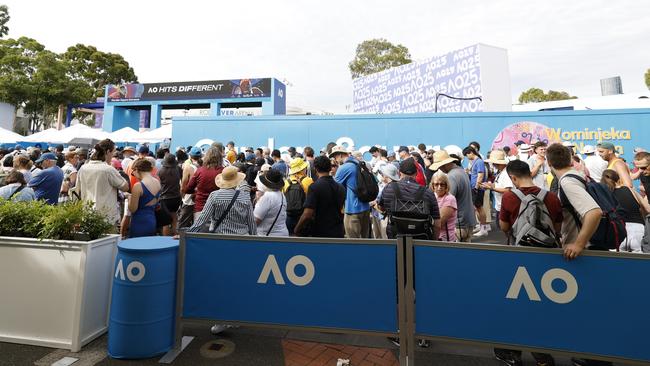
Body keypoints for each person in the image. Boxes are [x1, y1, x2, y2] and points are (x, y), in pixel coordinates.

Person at [547, 143, 602, 260]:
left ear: (549, 163)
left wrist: (578, 244)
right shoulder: (576, 176)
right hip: (583, 247)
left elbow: (594, 212)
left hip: (580, 251)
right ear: (570, 161)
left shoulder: (568, 182)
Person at [378, 158, 440, 239]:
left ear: (399, 173)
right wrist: (433, 241)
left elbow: (381, 208)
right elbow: (437, 224)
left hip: (395, 240)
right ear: (417, 173)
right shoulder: (428, 192)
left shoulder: (389, 189)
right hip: (421, 241)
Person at [187, 166, 256, 235]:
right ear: (237, 180)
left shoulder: (214, 195)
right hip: (241, 237)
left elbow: (203, 218)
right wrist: (255, 237)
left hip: (220, 236)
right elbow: (251, 221)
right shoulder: (245, 196)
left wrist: (189, 233)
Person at [76, 139, 129, 227]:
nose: (113, 155)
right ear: (108, 152)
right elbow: (125, 187)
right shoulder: (108, 169)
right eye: (113, 152)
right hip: (106, 217)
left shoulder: (83, 168)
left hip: (87, 213)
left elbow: (78, 189)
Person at [430, 150, 476, 242]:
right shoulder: (462, 171)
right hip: (468, 220)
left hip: (458, 224)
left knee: (456, 254)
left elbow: (447, 202)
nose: (440, 169)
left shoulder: (451, 176)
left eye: (439, 166)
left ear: (444, 164)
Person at [295, 156, 346, 238]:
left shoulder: (314, 187)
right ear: (330, 168)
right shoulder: (341, 187)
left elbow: (307, 213)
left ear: (315, 169)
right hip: (338, 231)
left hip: (320, 233)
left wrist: (297, 229)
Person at [601, 169, 649, 252]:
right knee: (641, 263)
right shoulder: (629, 189)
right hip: (638, 229)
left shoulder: (604, 195)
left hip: (618, 231)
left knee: (617, 263)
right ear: (619, 179)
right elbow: (647, 208)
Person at [332, 145, 371, 238]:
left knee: (353, 242)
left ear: (340, 155)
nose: (335, 160)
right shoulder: (359, 163)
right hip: (365, 207)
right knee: (366, 241)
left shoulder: (344, 168)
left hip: (352, 210)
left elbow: (333, 186)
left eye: (335, 157)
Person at [186, 147, 224, 221]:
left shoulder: (200, 171)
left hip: (201, 207)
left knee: (199, 231)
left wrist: (196, 191)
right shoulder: (223, 171)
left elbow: (188, 189)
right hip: (219, 207)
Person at [127, 158, 161, 238]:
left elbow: (133, 209)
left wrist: (129, 198)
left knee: (136, 247)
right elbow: (156, 204)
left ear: (137, 170)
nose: (133, 174)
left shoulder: (138, 186)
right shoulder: (157, 182)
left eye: (133, 172)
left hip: (139, 222)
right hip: (152, 220)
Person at [463, 146, 489, 237]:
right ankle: (481, 226)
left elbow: (480, 175)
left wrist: (476, 187)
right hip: (475, 187)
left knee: (479, 208)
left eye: (466, 155)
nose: (467, 157)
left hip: (477, 188)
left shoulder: (479, 161)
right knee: (478, 208)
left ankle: (484, 228)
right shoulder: (475, 162)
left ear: (471, 152)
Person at [283, 158, 314, 235]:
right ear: (302, 169)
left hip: (289, 216)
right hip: (303, 216)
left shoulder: (286, 182)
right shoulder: (308, 181)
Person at [254, 169, 288, 236]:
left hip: (268, 237)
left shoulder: (267, 197)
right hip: (282, 234)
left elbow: (255, 221)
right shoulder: (281, 195)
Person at [481, 150, 513, 215]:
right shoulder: (501, 172)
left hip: (505, 207)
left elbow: (507, 190)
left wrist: (491, 188)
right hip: (501, 206)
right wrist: (490, 185)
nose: (493, 164)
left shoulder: (505, 173)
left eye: (493, 163)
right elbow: (498, 185)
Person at [158, 154, 183, 236]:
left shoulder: (161, 171)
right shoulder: (178, 169)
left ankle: (166, 241)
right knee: (174, 217)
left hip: (165, 198)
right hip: (176, 197)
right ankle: (175, 235)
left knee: (165, 222)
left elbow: (158, 185)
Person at [178, 147, 202, 228]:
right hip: (200, 198)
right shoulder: (204, 167)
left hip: (189, 198)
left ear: (190, 156)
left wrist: (182, 197)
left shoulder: (188, 168)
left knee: (182, 223)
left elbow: (183, 186)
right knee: (196, 224)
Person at [431, 173, 457, 242]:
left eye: (442, 184)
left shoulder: (450, 199)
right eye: (436, 184)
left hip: (445, 240)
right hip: (436, 238)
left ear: (446, 186)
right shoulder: (433, 196)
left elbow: (439, 223)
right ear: (433, 186)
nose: (439, 187)